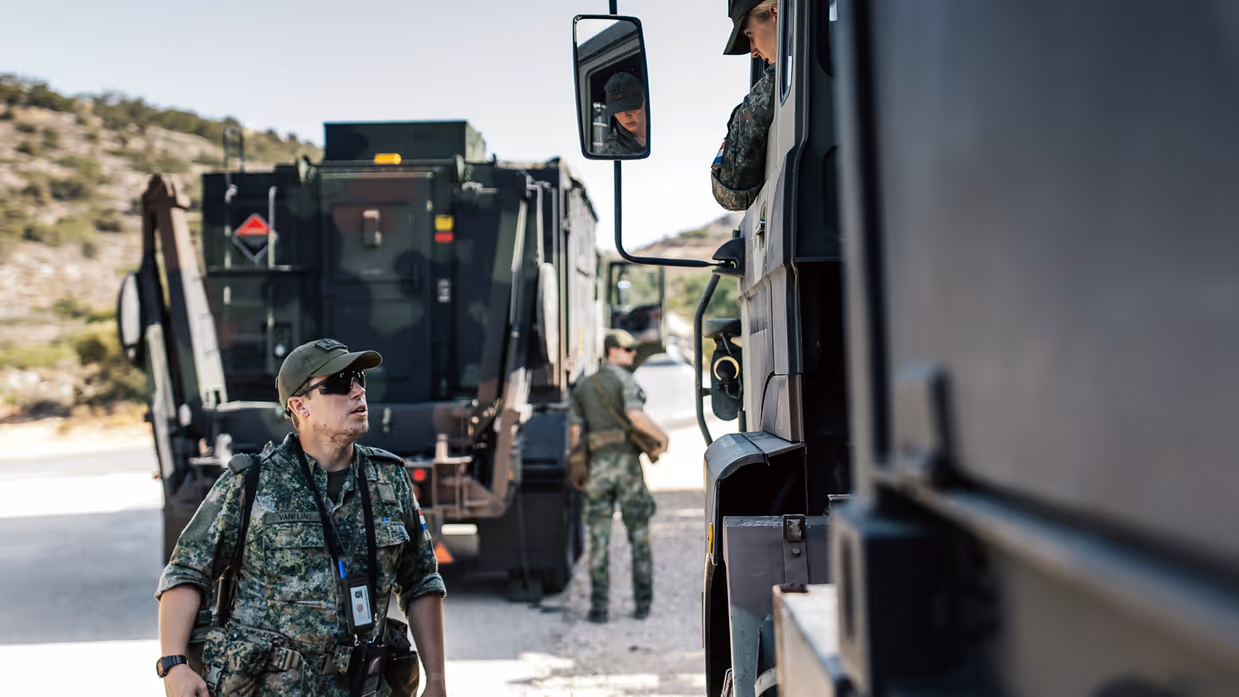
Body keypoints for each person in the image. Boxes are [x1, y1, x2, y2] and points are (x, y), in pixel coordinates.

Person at [154, 338, 447, 697]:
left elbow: (421, 581)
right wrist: (174, 665)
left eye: (359, 379)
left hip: (364, 687)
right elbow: (186, 571)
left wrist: (436, 680)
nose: (357, 391)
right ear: (299, 405)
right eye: (339, 383)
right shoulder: (251, 483)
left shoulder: (388, 478)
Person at [568, 329, 669, 623]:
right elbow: (636, 417)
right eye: (627, 349)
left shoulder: (584, 387)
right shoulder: (626, 382)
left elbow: (574, 435)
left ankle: (599, 609)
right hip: (626, 467)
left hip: (597, 468)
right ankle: (642, 605)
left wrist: (578, 468)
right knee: (638, 536)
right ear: (612, 351)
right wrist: (662, 438)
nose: (633, 353)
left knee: (598, 540)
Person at [712, 0, 780, 211]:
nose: (754, 51)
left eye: (750, 35)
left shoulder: (783, 77)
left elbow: (732, 192)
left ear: (775, 11)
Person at [600, 72, 649, 156]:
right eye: (618, 110)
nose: (626, 115)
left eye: (630, 107)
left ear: (644, 101)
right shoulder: (613, 150)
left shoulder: (665, 132)